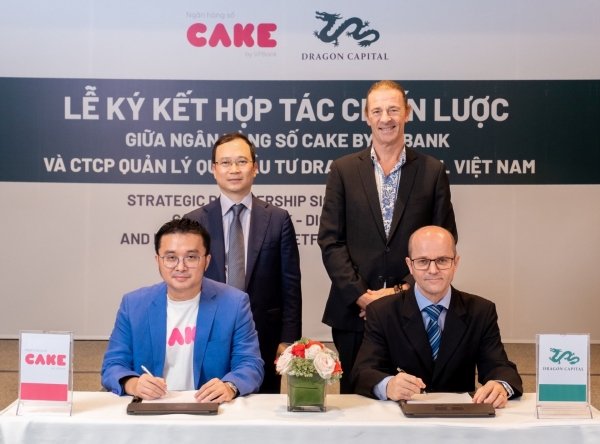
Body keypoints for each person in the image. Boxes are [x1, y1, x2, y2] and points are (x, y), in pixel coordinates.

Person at [318, 80, 457, 393]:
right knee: (357, 400)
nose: (386, 118)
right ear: (366, 116)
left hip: (414, 309)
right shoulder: (343, 170)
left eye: (393, 110)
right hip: (355, 315)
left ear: (407, 113)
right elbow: (330, 240)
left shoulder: (432, 171)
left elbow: (444, 239)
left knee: (412, 397)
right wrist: (363, 296)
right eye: (377, 111)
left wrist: (399, 291)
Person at [351, 226, 522, 407]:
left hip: (460, 417)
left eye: (442, 260)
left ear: (455, 263)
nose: (433, 270)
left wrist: (500, 386)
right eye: (422, 261)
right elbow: (362, 373)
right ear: (410, 265)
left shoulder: (481, 311)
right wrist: (388, 385)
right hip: (402, 416)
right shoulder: (382, 312)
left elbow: (500, 367)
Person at [184, 133, 302, 394]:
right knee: (207, 400)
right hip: (207, 333)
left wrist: (288, 339)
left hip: (264, 336)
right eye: (225, 163)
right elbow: (183, 283)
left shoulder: (278, 219)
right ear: (214, 170)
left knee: (261, 406)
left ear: (255, 168)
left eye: (241, 161)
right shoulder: (195, 221)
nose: (234, 169)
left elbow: (291, 286)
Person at [101, 218, 264, 402]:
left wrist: (230, 386)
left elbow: (250, 363)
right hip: (151, 406)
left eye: (191, 257)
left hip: (208, 407)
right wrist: (133, 384)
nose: (180, 267)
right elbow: (113, 365)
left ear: (206, 261)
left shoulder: (234, 303)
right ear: (158, 261)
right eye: (171, 257)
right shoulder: (133, 304)